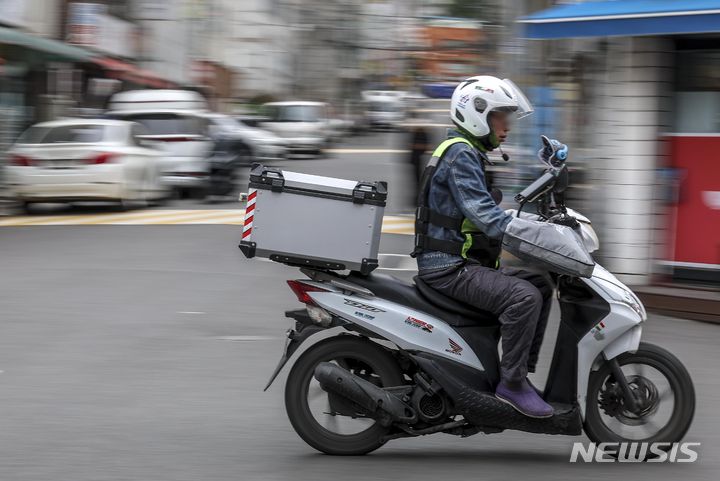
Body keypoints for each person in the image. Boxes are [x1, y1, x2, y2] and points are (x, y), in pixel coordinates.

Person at [412, 76, 555, 418]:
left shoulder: (467, 151)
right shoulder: (461, 154)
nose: (506, 126)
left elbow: (481, 212)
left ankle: (517, 374)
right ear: (477, 115)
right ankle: (512, 384)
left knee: (540, 285)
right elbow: (488, 219)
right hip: (448, 266)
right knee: (523, 297)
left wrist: (534, 223)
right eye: (500, 117)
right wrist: (543, 240)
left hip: (459, 262)